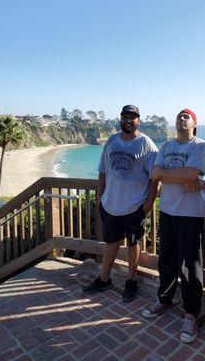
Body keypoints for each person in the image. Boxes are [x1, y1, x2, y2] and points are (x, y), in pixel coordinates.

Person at [142, 109, 205, 344]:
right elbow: (154, 173)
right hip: (167, 210)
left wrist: (175, 174)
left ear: (194, 123)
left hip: (190, 213)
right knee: (167, 259)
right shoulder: (166, 146)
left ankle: (192, 313)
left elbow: (192, 172)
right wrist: (182, 177)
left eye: (186, 116)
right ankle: (165, 298)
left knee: (190, 264)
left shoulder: (200, 146)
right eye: (179, 116)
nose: (181, 118)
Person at [83, 105, 158, 302]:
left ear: (139, 120)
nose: (128, 120)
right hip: (110, 204)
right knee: (111, 243)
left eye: (132, 117)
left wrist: (149, 202)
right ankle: (104, 278)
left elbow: (155, 177)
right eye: (125, 116)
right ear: (120, 119)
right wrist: (101, 197)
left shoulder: (147, 145)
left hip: (134, 207)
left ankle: (131, 281)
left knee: (133, 244)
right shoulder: (112, 140)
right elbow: (102, 171)